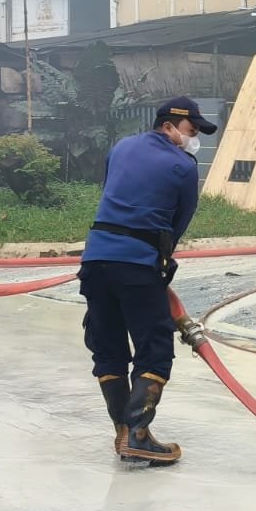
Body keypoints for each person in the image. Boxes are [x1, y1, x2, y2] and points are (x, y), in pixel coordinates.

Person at [79, 97, 216, 466]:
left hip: (94, 260)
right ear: (169, 125)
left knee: (107, 347)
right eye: (191, 131)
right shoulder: (183, 166)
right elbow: (180, 220)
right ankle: (138, 434)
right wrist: (160, 259)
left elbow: (109, 190)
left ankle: (123, 434)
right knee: (154, 347)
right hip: (138, 266)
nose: (193, 139)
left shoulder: (122, 146)